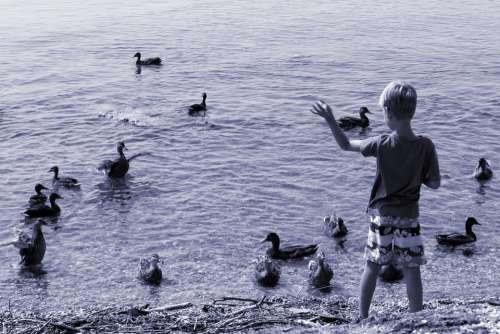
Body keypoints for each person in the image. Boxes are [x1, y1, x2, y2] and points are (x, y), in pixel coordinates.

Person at [311, 81, 440, 319]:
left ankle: (362, 318)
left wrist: (330, 119)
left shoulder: (381, 143)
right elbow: (434, 183)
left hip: (382, 217)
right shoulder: (426, 145)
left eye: (383, 112)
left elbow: (345, 144)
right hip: (409, 218)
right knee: (412, 270)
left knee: (372, 266)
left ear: (389, 113)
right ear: (411, 111)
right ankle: (416, 319)